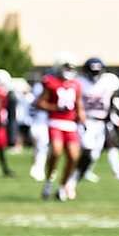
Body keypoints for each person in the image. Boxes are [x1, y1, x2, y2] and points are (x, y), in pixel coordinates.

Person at [36, 53, 83, 200]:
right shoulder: (50, 82)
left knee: (73, 157)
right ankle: (49, 181)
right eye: (66, 67)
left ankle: (63, 186)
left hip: (70, 124)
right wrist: (55, 107)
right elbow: (40, 103)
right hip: (55, 122)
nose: (69, 70)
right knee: (56, 151)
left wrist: (82, 116)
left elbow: (78, 104)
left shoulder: (76, 84)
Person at [74, 58, 119, 185]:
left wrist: (115, 119)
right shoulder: (80, 83)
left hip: (101, 121)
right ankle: (75, 177)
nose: (94, 75)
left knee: (96, 153)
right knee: (88, 150)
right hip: (86, 121)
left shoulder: (108, 82)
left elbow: (109, 104)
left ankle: (83, 173)